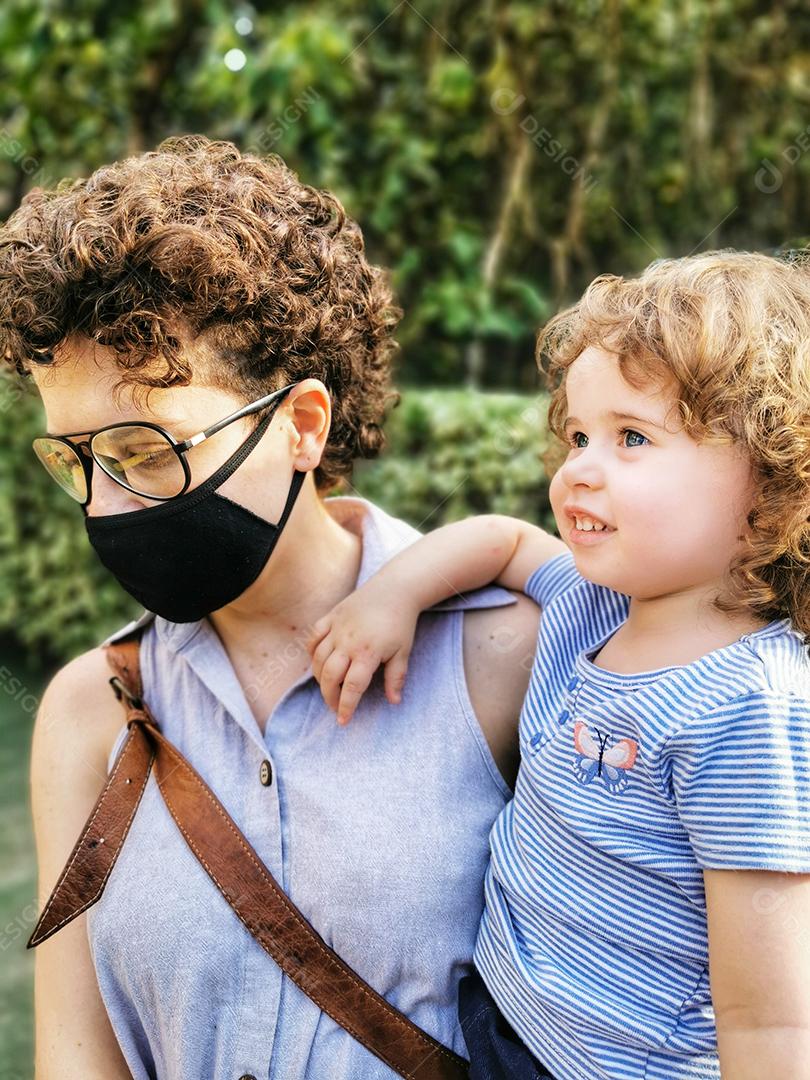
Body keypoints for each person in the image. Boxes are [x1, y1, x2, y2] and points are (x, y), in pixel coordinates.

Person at [0, 135, 544, 1079]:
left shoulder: (501, 658)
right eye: (78, 461)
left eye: (146, 450)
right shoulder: (89, 714)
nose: (107, 506)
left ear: (300, 426)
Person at [307, 250, 810, 1079]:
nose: (579, 467)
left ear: (771, 483)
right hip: (497, 1013)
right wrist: (389, 595)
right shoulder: (593, 601)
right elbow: (501, 540)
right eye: (578, 435)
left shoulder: (746, 705)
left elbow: (770, 1018)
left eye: (633, 438)